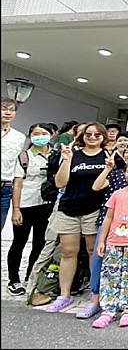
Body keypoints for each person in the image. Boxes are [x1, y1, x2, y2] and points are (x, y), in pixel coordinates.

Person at [81, 142, 128, 319]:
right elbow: (99, 195)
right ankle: (105, 305)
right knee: (108, 270)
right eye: (127, 152)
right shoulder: (116, 182)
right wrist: (102, 240)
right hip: (113, 235)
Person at [45, 122, 107, 313]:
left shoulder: (108, 156)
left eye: (97, 134)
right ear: (82, 135)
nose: (93, 137)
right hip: (69, 208)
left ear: (103, 137)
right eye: (89, 134)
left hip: (94, 210)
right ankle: (64, 294)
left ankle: (94, 293)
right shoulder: (74, 154)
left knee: (93, 252)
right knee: (68, 252)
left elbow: (115, 180)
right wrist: (66, 160)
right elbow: (60, 182)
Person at [7, 123, 55, 296]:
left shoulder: (55, 155)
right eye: (36, 133)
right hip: (26, 205)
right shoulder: (24, 157)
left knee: (40, 243)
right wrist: (16, 209)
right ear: (30, 136)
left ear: (51, 135)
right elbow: (17, 184)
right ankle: (13, 280)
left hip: (46, 205)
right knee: (19, 242)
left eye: (44, 133)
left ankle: (30, 276)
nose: (40, 136)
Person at [1, 97, 26, 231]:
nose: (8, 113)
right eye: (4, 109)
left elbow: (17, 170)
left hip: (4, 188)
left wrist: (16, 207)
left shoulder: (19, 137)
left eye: (12, 110)